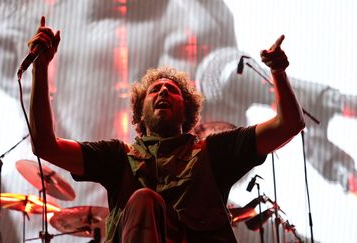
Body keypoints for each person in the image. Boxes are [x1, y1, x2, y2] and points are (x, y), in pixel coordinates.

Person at [28, 16, 304, 243]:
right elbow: (45, 146)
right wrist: (40, 70)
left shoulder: (215, 150)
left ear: (186, 109)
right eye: (154, 90)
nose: (162, 92)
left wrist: (278, 73)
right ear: (140, 110)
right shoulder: (116, 156)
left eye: (171, 90)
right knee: (144, 199)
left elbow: (289, 125)